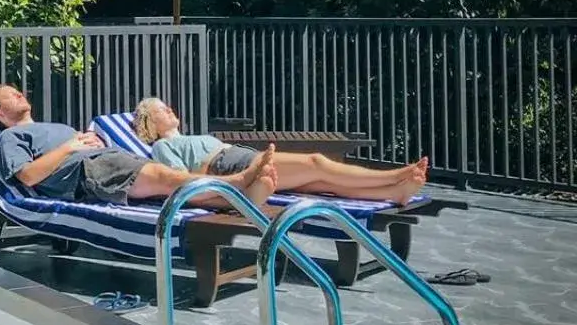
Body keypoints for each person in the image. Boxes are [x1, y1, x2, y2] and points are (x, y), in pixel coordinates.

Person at [0, 84, 277, 210]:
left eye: (18, 90)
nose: (19, 94)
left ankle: (242, 199)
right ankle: (235, 183)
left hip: (106, 158)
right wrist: (71, 147)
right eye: (10, 95)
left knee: (167, 186)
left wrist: (87, 140)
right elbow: (27, 176)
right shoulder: (9, 138)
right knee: (167, 179)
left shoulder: (54, 126)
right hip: (87, 169)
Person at [133, 98, 428, 205]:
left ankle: (393, 193)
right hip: (229, 166)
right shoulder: (162, 146)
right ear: (150, 123)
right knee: (316, 162)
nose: (169, 109)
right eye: (161, 109)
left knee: (323, 184)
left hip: (237, 158)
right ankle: (394, 174)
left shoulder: (182, 137)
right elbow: (180, 180)